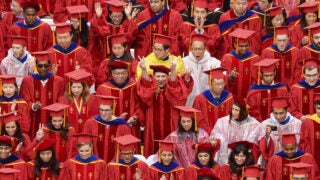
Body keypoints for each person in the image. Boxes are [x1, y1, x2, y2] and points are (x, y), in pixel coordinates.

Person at [137, 60, 191, 157]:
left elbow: (174, 83)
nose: (160, 79)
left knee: (172, 151)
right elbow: (145, 83)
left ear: (167, 78)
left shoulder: (171, 90)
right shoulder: (151, 90)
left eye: (163, 76)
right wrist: (144, 69)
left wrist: (173, 70)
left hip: (172, 126)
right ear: (153, 77)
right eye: (157, 76)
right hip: (152, 128)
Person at [20, 51, 65, 138]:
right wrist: (33, 106)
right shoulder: (27, 81)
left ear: (50, 66)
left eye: (46, 66)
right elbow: (23, 101)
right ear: (36, 66)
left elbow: (62, 101)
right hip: (34, 120)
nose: (43, 69)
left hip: (53, 121)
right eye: (40, 66)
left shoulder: (59, 81)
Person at [96, 61, 143, 144]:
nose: (120, 76)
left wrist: (135, 117)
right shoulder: (103, 88)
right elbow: (99, 110)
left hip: (131, 126)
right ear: (111, 74)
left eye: (123, 73)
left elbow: (140, 105)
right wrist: (115, 119)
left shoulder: (134, 86)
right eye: (117, 73)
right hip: (111, 126)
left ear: (127, 73)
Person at [89, 1, 138, 75]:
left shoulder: (125, 26)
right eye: (114, 16)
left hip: (123, 62)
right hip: (105, 63)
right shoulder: (106, 26)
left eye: (119, 16)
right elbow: (99, 31)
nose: (117, 19)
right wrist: (98, 17)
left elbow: (130, 35)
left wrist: (128, 15)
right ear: (110, 15)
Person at [252, 97, 302, 167]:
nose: (278, 116)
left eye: (281, 113)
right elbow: (260, 147)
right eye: (275, 113)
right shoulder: (265, 124)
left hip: (292, 160)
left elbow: (301, 144)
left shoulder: (297, 123)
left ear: (287, 110)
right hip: (273, 161)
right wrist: (266, 136)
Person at [211, 97, 260, 165]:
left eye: (236, 110)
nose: (233, 112)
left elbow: (254, 143)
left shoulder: (254, 124)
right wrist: (216, 141)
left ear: (243, 111)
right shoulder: (222, 122)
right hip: (226, 157)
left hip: (244, 158)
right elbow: (217, 137)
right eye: (232, 109)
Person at [82, 95, 131, 163]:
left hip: (115, 165)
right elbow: (84, 144)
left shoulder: (122, 126)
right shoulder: (91, 123)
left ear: (112, 110)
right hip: (95, 164)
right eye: (101, 110)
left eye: (107, 110)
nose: (103, 113)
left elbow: (126, 148)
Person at [182, 34, 221, 106]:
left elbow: (222, 82)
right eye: (195, 49)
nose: (197, 52)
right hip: (189, 102)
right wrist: (186, 77)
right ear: (191, 48)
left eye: (200, 49)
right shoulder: (183, 62)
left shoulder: (214, 63)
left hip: (207, 102)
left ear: (205, 48)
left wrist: (215, 75)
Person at [193, 67, 234, 134]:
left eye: (222, 83)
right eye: (217, 84)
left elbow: (232, 117)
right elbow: (199, 120)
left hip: (225, 134)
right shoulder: (200, 99)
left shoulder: (229, 97)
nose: (220, 87)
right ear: (210, 84)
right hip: (206, 135)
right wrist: (211, 133)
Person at [221, 28, 259, 98]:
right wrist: (230, 77)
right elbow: (222, 79)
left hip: (248, 98)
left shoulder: (255, 59)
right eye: (241, 46)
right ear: (235, 45)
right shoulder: (227, 58)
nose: (244, 48)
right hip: (232, 98)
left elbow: (256, 80)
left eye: (246, 45)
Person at [300, 97, 320, 168]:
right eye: (319, 108)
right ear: (315, 107)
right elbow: (304, 143)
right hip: (313, 158)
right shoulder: (308, 122)